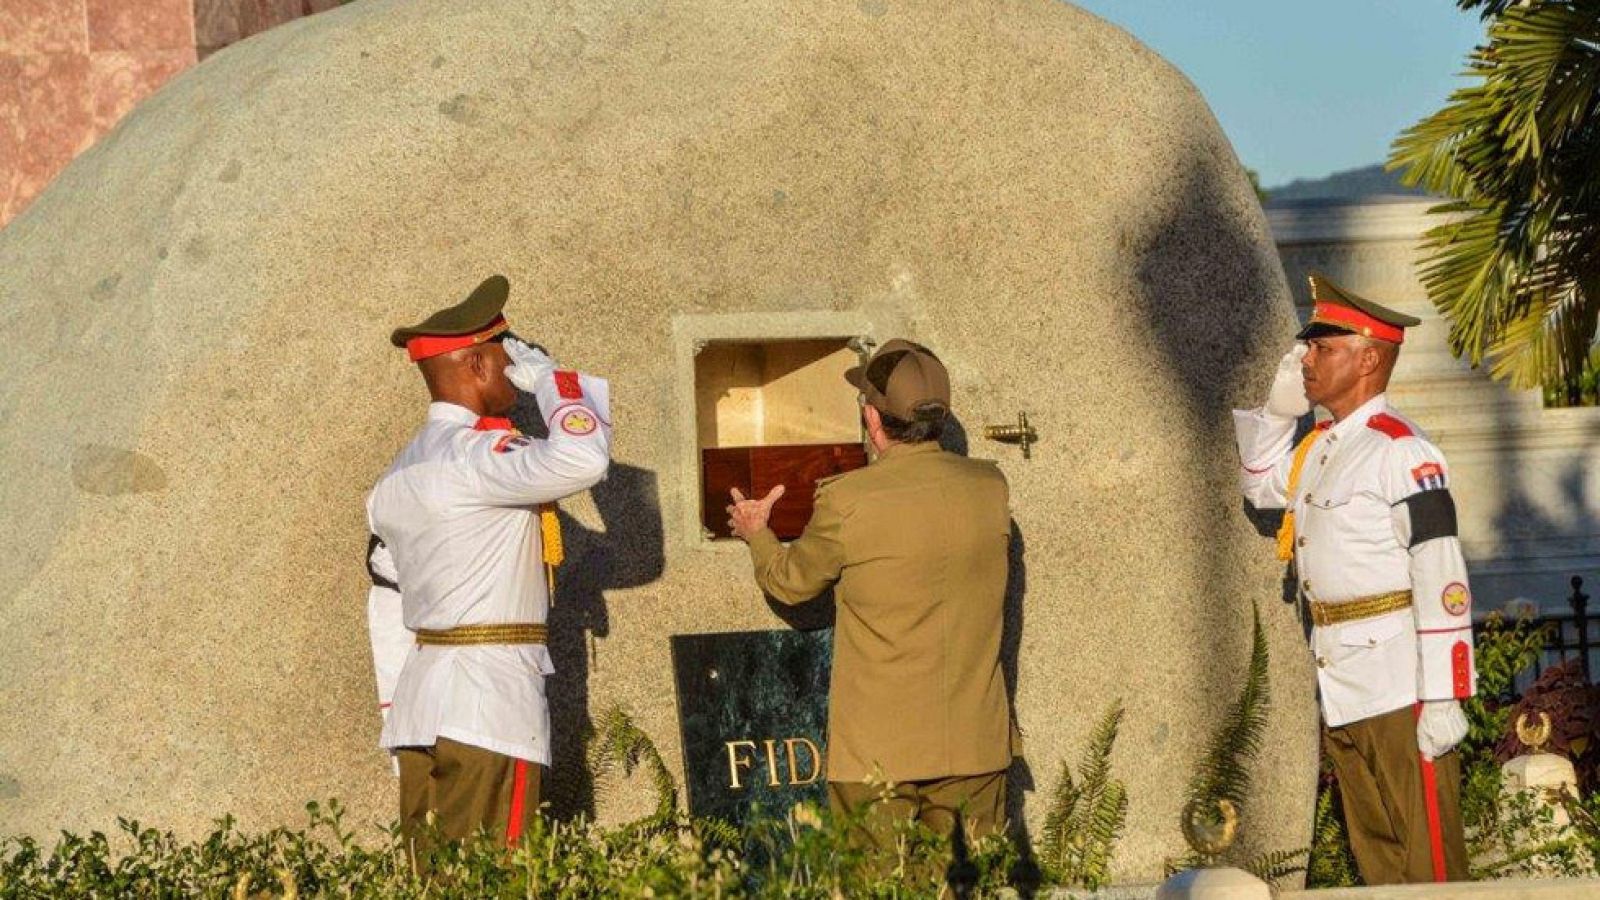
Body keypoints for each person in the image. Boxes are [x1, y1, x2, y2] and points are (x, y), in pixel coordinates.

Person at [725, 338, 1014, 850]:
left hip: (881, 759)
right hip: (976, 745)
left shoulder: (849, 499)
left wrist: (758, 532)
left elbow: (790, 582)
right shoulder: (991, 488)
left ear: (874, 421)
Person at [1234, 273, 1476, 884]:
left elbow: (1440, 570)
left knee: (1429, 865)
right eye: (1306, 349)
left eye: (1322, 348)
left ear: (1369, 357)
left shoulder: (1401, 450)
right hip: (1342, 677)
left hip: (1401, 684)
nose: (1306, 360)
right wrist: (1275, 411)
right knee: (1379, 862)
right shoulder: (1319, 446)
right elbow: (1260, 485)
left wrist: (1445, 694)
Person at [364, 274, 612, 855]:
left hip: (420, 706)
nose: (515, 378)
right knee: (496, 877)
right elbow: (582, 456)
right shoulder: (483, 458)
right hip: (489, 706)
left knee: (434, 884)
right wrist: (555, 380)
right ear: (477, 366)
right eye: (506, 360)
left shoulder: (395, 476)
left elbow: (390, 597)